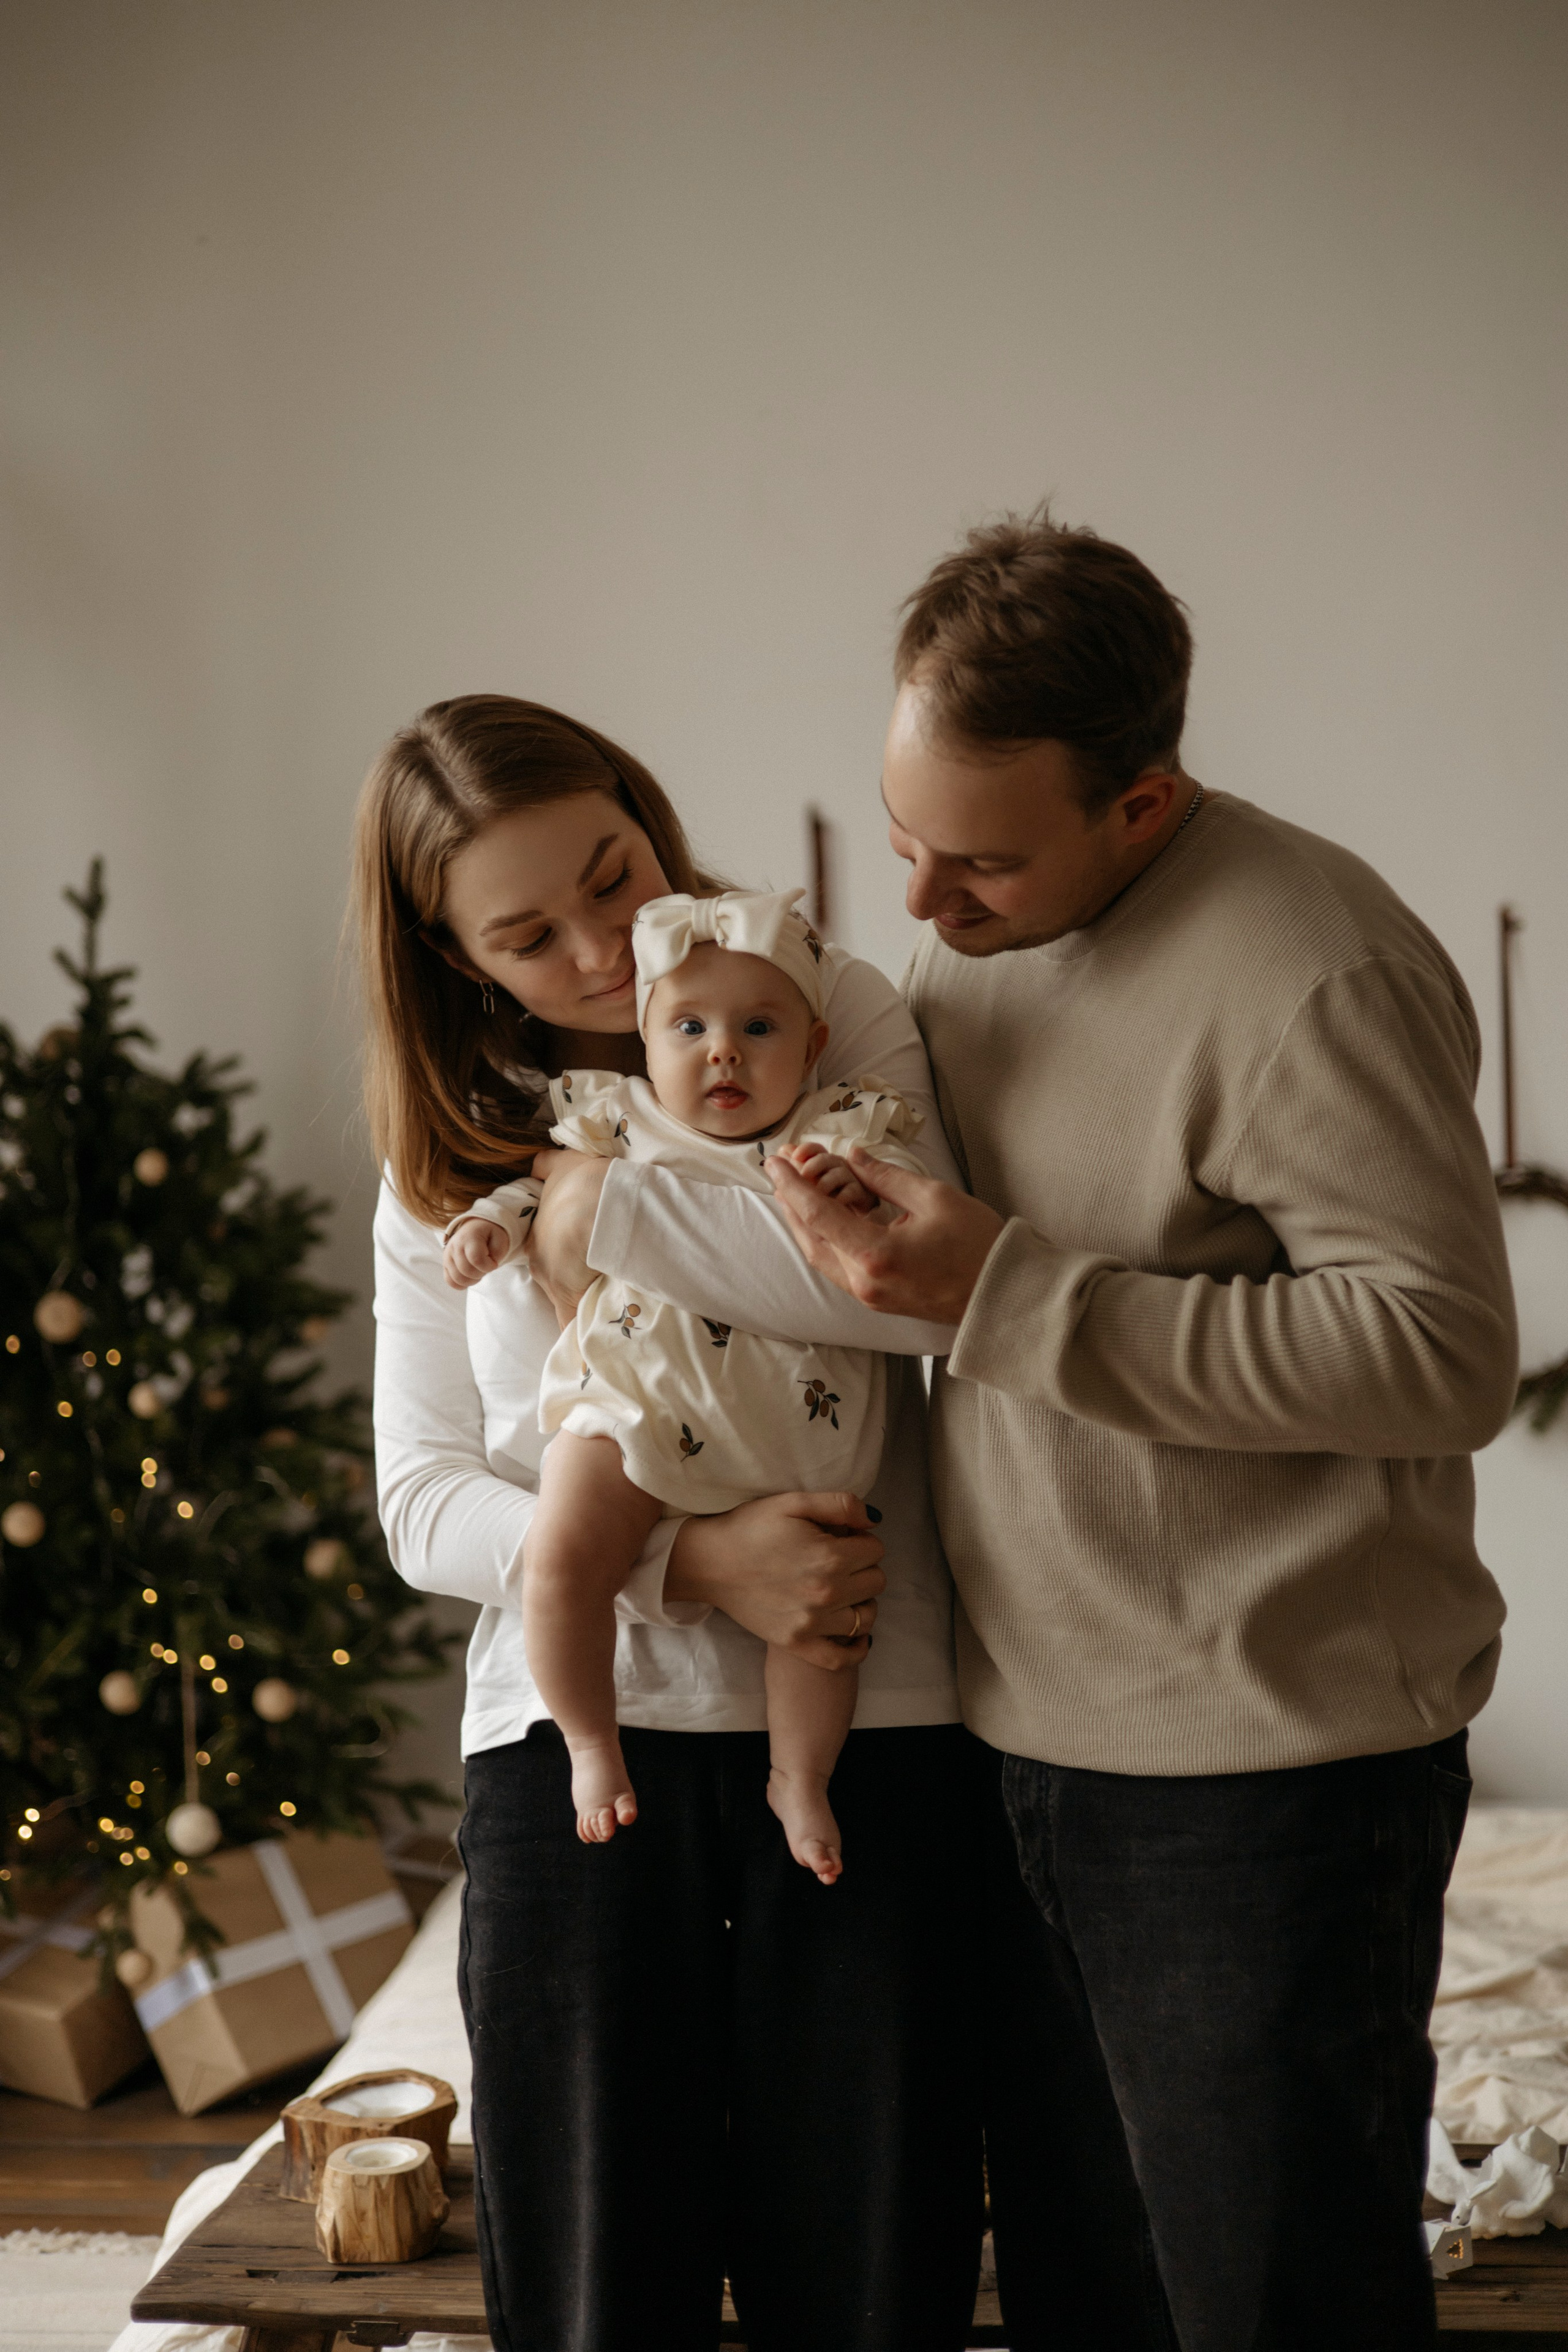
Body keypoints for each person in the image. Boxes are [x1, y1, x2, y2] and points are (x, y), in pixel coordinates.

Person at [530, 511, 1519, 2350]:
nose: (919, 909)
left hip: (1265, 1781)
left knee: (1270, 2307)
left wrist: (1007, 1289)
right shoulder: (966, 959)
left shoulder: (1318, 970)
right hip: (1013, 1747)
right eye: (901, 840)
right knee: (1088, 2306)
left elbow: (1443, 1352)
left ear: (1142, 806)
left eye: (975, 860)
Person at [354, 695, 985, 2352]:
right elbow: (423, 1500)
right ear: (453, 953)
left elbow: (916, 1302)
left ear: (648, 813)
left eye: (612, 878)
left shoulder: (823, 1006)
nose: (598, 953)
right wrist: (692, 1565)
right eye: (527, 935)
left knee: (866, 2277)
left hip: (871, 1720)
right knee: (593, 2290)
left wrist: (602, 1211)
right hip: (572, 1757)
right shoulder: (447, 1149)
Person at [443, 884, 927, 1878]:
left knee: (829, 1622)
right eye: (690, 1027)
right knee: (564, 1556)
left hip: (796, 1440)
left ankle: (800, 1780)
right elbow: (532, 1195)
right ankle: (587, 1739)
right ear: (646, 1038)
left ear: (815, 1039)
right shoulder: (614, 1124)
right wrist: (488, 1225)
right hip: (635, 1408)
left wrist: (843, 1190)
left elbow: (912, 1265)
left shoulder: (837, 1131)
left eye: (760, 1028)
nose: (724, 1052)